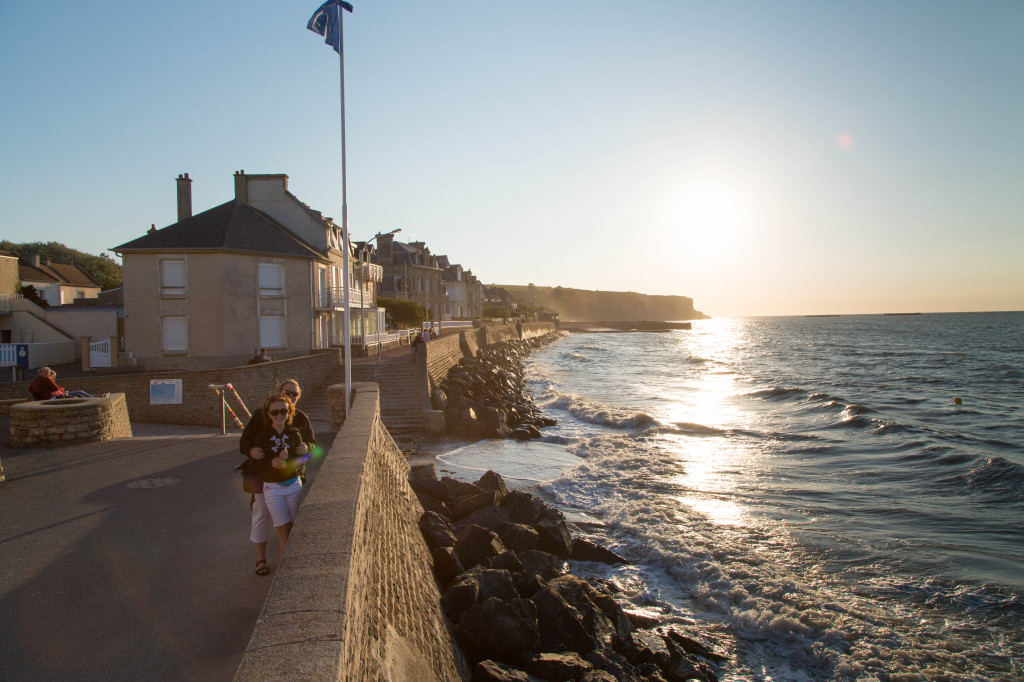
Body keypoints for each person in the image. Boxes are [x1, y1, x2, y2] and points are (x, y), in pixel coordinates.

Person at [238, 379, 316, 576]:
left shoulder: (301, 419)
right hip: (263, 479)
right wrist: (251, 450)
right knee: (261, 514)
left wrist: (307, 449)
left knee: (290, 522)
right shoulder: (261, 416)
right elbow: (245, 441)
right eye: (287, 392)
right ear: (279, 393)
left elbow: (312, 447)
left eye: (294, 394)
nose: (291, 397)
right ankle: (260, 559)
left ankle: (289, 561)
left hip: (291, 478)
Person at [28, 367, 94, 400]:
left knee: (78, 393)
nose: (48, 375)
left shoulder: (36, 380)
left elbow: (56, 389)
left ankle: (95, 399)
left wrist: (59, 391)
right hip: (52, 398)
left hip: (51, 396)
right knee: (79, 392)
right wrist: (59, 391)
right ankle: (95, 400)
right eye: (47, 373)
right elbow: (56, 388)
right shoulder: (45, 379)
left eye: (48, 373)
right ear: (41, 373)